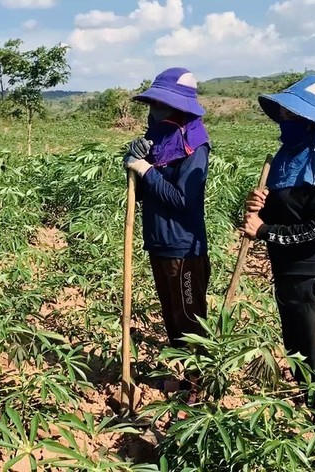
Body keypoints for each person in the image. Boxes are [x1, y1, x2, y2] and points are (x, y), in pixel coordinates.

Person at [241, 74, 315, 470]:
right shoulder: (284, 162)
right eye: (284, 112)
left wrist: (265, 230)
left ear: (312, 122)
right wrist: (260, 207)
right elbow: (276, 218)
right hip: (287, 276)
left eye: (292, 113)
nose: (284, 119)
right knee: (301, 367)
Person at [122, 67, 212, 369]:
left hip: (183, 248)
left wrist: (146, 170)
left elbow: (183, 200)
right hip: (159, 242)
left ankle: (197, 383)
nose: (152, 111)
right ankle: (183, 376)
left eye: (157, 104)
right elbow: (148, 193)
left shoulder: (194, 145)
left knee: (189, 320)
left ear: (175, 107)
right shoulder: (161, 139)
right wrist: (138, 162)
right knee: (172, 315)